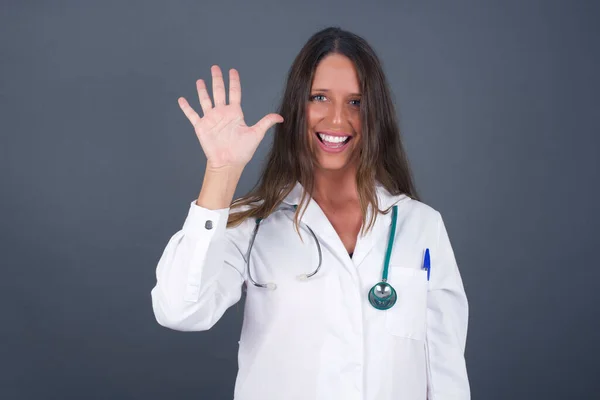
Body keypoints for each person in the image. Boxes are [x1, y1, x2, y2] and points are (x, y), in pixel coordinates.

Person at [151, 27, 470, 400]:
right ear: (296, 106)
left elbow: (447, 376)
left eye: (356, 102)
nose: (337, 120)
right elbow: (179, 310)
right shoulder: (254, 223)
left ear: (376, 116)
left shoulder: (421, 226)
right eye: (320, 97)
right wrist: (222, 172)